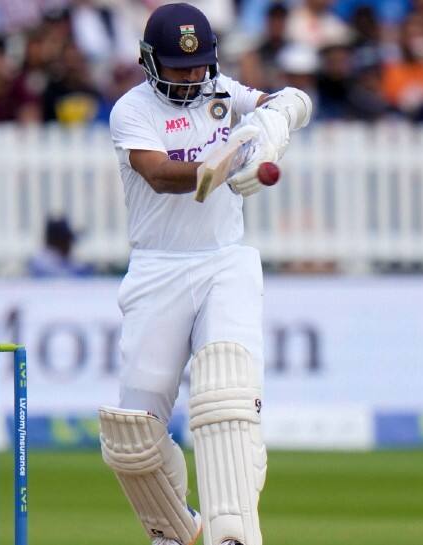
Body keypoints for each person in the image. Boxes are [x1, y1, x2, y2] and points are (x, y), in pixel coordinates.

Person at [98, 4, 312, 545]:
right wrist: (221, 164)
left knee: (227, 400)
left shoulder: (224, 93)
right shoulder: (132, 110)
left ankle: (232, 535)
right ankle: (178, 529)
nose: (192, 78)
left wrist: (272, 127)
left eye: (199, 67)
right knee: (132, 439)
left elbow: (294, 100)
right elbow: (160, 176)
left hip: (224, 261)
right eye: (178, 68)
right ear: (149, 62)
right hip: (158, 268)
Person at [26, 217, 93, 278]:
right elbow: (60, 276)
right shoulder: (43, 264)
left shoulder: (63, 262)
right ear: (59, 243)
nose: (70, 247)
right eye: (67, 242)